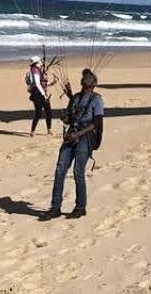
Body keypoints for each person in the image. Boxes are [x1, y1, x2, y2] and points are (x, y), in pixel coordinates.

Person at [45, 68, 104, 219]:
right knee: (60, 170)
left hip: (84, 137)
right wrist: (65, 119)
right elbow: (70, 118)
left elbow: (97, 123)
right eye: (84, 82)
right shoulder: (75, 98)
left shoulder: (97, 100)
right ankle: (55, 207)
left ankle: (80, 207)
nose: (85, 85)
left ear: (92, 85)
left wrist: (78, 134)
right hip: (71, 135)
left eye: (87, 83)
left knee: (78, 172)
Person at [26, 55, 52, 137]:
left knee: (48, 111)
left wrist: (51, 83)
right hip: (37, 94)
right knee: (38, 113)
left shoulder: (39, 70)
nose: (41, 63)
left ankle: (49, 130)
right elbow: (37, 84)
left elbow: (42, 83)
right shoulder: (35, 71)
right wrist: (44, 95)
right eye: (40, 61)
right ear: (36, 63)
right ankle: (32, 131)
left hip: (43, 93)